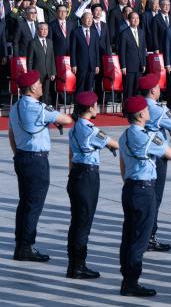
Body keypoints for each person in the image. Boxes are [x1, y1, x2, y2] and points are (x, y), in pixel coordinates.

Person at [9, 70, 72, 263]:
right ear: (31, 88)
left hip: (21, 157)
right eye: (38, 83)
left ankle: (21, 244)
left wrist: (18, 153)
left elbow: (11, 135)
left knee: (24, 203)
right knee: (33, 205)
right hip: (36, 160)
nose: (41, 86)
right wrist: (51, 112)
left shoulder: (16, 107)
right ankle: (26, 247)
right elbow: (67, 120)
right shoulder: (37, 108)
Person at [118, 95, 171, 297]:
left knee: (128, 235)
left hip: (130, 187)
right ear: (142, 114)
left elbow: (123, 165)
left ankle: (126, 277)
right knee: (140, 239)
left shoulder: (124, 135)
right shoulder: (147, 136)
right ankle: (132, 282)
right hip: (144, 190)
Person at [66, 90, 118, 279]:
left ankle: (74, 264)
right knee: (83, 223)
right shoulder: (91, 129)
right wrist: (110, 144)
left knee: (77, 222)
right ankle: (78, 266)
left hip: (76, 175)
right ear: (89, 108)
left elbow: (71, 155)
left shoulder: (75, 128)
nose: (97, 107)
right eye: (96, 104)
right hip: (87, 177)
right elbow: (115, 144)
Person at [140, 72, 171, 254]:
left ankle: (144, 233)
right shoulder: (158, 109)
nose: (159, 89)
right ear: (152, 90)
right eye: (157, 87)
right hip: (158, 155)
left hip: (144, 152)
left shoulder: (140, 105)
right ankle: (150, 235)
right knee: (155, 196)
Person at [118, 11, 146, 99]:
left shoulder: (141, 32)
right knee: (128, 90)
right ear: (129, 20)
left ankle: (136, 111)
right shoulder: (124, 33)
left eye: (137, 18)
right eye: (133, 18)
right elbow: (121, 51)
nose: (136, 20)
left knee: (137, 90)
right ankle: (126, 111)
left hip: (139, 66)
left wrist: (144, 63)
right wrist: (123, 66)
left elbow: (142, 49)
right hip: (129, 67)